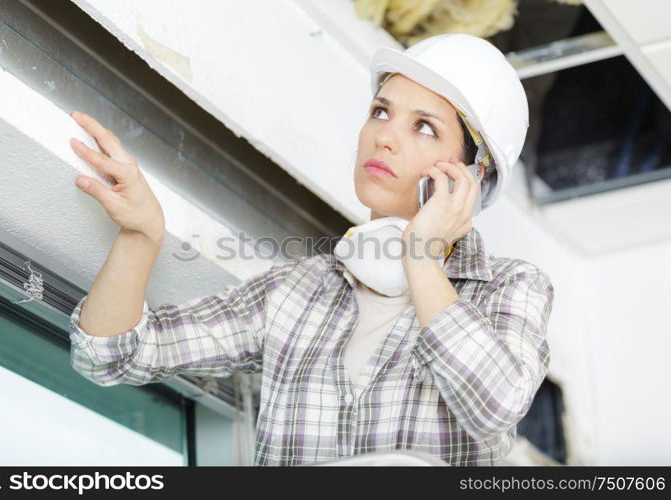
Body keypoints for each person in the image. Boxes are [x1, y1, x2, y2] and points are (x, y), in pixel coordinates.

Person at [67, 33, 554, 466]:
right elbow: (109, 356)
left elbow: (496, 404)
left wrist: (422, 256)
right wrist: (141, 234)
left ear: (472, 175)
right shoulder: (295, 292)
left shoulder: (509, 287)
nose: (384, 136)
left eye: (424, 126)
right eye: (380, 112)